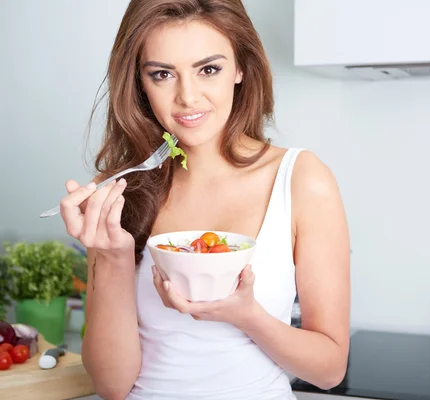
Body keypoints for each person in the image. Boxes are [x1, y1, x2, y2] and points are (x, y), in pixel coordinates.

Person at [58, 0, 350, 399]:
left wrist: (247, 316)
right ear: (140, 83)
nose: (188, 97)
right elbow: (112, 385)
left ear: (240, 68)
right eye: (162, 74)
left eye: (208, 69)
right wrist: (112, 258)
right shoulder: (117, 192)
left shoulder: (301, 179)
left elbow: (330, 370)